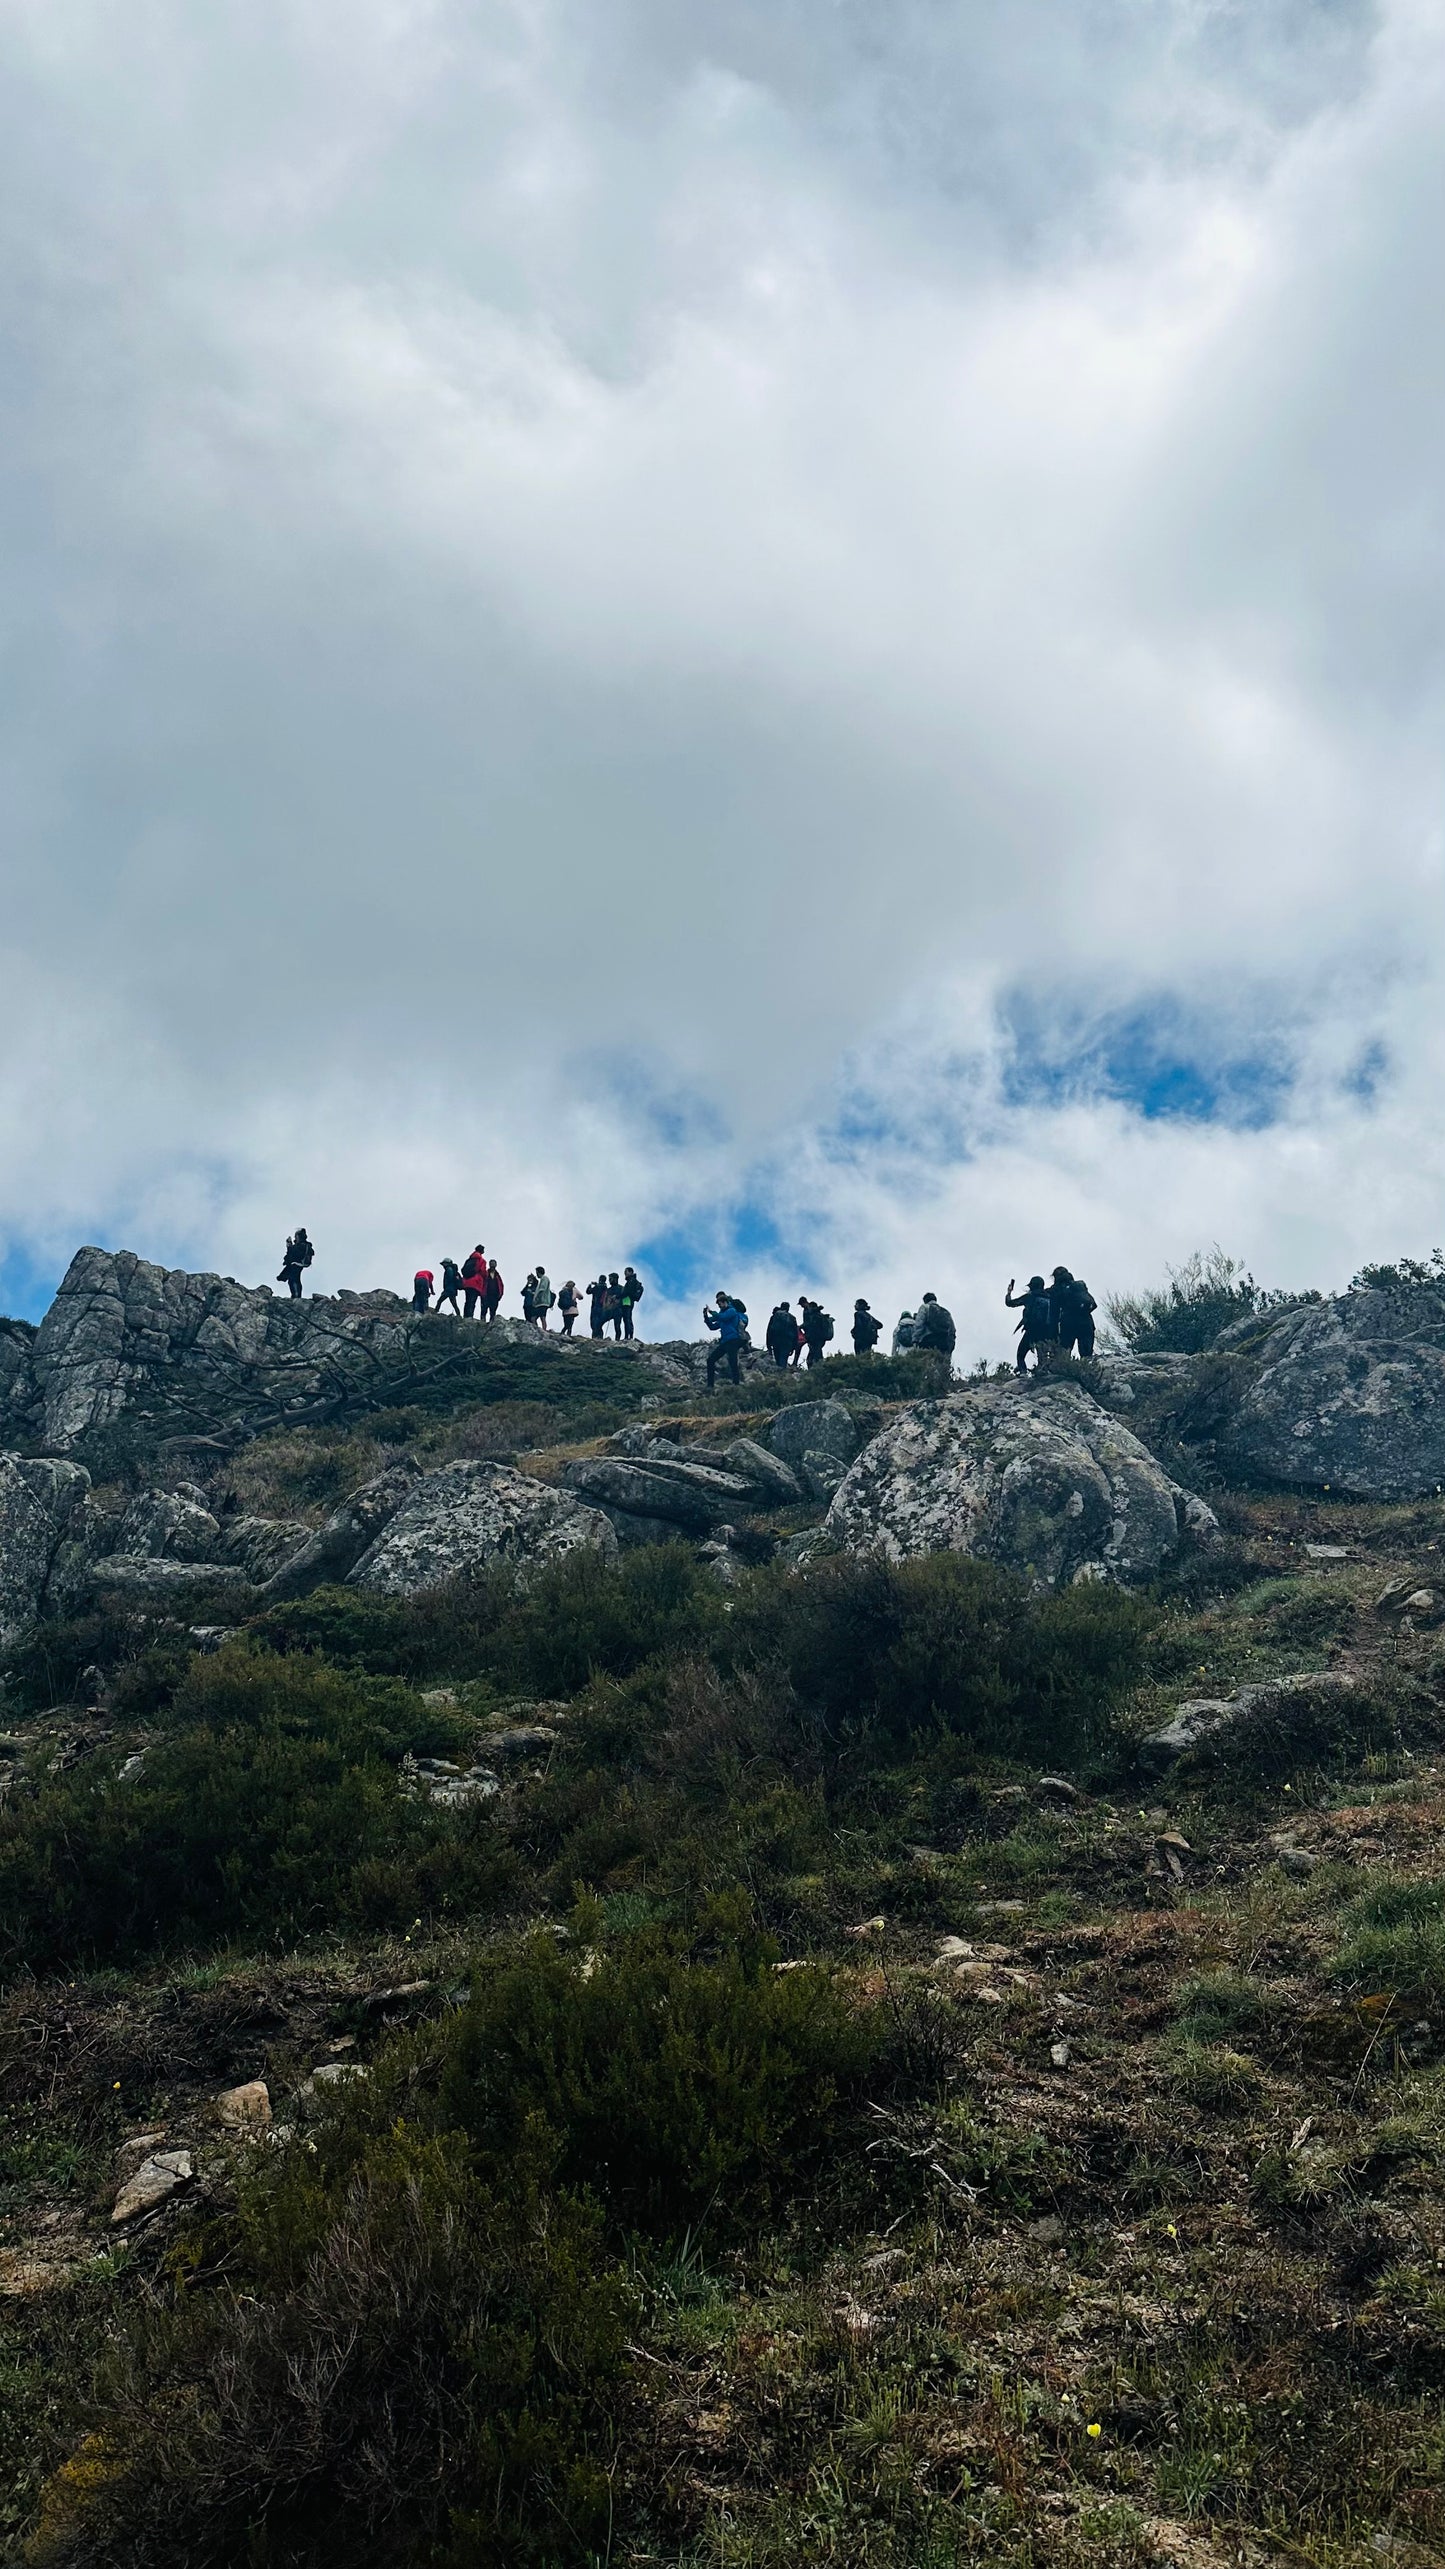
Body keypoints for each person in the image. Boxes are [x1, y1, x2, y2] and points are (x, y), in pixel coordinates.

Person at [1005, 1274, 1054, 1375]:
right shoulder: (1050, 1298)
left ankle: (1023, 1372)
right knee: (1043, 1357)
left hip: (1032, 1330)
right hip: (1046, 1331)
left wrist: (1009, 1292)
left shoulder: (1030, 1296)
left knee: (1021, 1354)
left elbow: (1010, 1303)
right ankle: (1043, 1374)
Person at [704, 1290, 745, 1388]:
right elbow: (713, 1327)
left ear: (725, 1302)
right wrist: (706, 1317)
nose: (720, 1306)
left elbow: (723, 1317)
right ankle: (710, 1385)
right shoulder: (721, 1314)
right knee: (710, 1360)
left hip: (733, 1340)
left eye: (720, 1304)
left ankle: (736, 1383)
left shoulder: (732, 1311)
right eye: (718, 1305)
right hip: (725, 1342)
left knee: (733, 1362)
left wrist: (711, 1312)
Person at [912, 1291, 956, 1357]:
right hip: (944, 1342)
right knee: (939, 1364)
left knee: (926, 1364)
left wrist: (915, 1340)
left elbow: (919, 1325)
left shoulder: (925, 1307)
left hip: (928, 1340)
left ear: (925, 1300)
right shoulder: (945, 1311)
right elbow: (953, 1329)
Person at [1050, 1267, 1078, 1358]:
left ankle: (1064, 1367)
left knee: (1065, 1348)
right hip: (1085, 1321)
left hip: (1067, 1320)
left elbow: (1054, 1308)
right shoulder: (1077, 1286)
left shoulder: (1056, 1288)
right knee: (1086, 1354)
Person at [278, 1228, 314, 1299]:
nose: (295, 1238)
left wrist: (289, 1245)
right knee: (293, 1279)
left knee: (294, 1279)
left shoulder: (302, 1246)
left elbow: (293, 1253)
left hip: (297, 1264)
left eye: (296, 1236)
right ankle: (295, 1296)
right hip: (297, 1264)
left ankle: (296, 1296)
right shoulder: (304, 1245)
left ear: (299, 1237)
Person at [1067, 1277, 1098, 1360]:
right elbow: (1094, 1305)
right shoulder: (1087, 1295)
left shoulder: (1069, 1294)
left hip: (1072, 1324)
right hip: (1087, 1324)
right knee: (1086, 1353)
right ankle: (1087, 1367)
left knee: (1066, 1350)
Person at [801, 1298, 834, 1367]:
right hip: (821, 1338)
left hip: (815, 1338)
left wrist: (800, 1327)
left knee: (816, 1355)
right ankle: (818, 1368)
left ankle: (819, 1369)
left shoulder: (814, 1315)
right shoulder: (820, 1315)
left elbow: (808, 1324)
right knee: (815, 1354)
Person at [766, 1301, 798, 1368]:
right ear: (788, 1308)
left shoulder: (774, 1316)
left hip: (776, 1341)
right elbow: (795, 1333)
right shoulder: (792, 1318)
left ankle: (778, 1375)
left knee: (777, 1360)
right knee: (783, 1360)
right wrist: (794, 1347)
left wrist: (768, 1344)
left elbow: (769, 1331)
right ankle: (782, 1375)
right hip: (787, 1342)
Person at [460, 1245, 487, 1320]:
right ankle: (469, 1316)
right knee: (472, 1301)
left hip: (467, 1282)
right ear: (482, 1250)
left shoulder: (470, 1259)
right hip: (476, 1283)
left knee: (467, 1300)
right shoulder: (481, 1260)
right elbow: (483, 1272)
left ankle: (465, 1315)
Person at [621, 1266, 644, 1339]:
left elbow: (628, 1292)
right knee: (627, 1318)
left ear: (630, 1272)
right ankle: (628, 1336)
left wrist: (619, 1296)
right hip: (627, 1301)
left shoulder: (631, 1281)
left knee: (627, 1318)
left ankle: (628, 1336)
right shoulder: (631, 1281)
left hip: (628, 1301)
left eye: (626, 1271)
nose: (625, 1273)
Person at [484, 1257, 504, 1322]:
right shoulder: (485, 1273)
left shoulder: (497, 1275)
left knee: (493, 1310)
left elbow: (501, 1285)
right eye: (491, 1263)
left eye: (494, 1263)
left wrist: (500, 1294)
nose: (492, 1265)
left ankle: (491, 1322)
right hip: (486, 1294)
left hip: (495, 1295)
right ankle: (482, 1322)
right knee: (484, 1309)